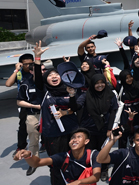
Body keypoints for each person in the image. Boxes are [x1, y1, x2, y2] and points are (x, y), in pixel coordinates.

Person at [33, 41, 81, 184]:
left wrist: (72, 95)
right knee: (56, 164)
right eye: (50, 75)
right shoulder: (44, 92)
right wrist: (37, 58)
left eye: (56, 74)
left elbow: (76, 107)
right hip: (53, 134)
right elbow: (38, 80)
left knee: (74, 161)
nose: (54, 77)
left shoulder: (69, 89)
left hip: (71, 131)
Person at [69, 74, 118, 181]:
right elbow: (76, 107)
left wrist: (109, 129)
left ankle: (104, 169)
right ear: (92, 84)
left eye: (102, 83)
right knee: (89, 151)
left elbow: (113, 112)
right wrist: (72, 96)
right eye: (97, 83)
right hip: (88, 129)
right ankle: (90, 170)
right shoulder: (86, 95)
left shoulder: (110, 94)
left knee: (103, 150)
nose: (100, 85)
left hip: (104, 128)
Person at [14, 128, 101, 185]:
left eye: (79, 137)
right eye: (73, 137)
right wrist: (29, 155)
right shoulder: (63, 157)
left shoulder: (93, 155)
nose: (75, 139)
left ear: (86, 141)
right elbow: (37, 162)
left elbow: (96, 177)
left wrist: (78, 182)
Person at [16, 62, 45, 176]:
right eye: (40, 70)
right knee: (33, 139)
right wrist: (34, 106)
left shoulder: (48, 81)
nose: (43, 72)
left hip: (50, 114)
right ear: (32, 71)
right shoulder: (25, 84)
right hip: (34, 114)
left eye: (44, 70)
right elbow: (19, 101)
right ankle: (34, 162)